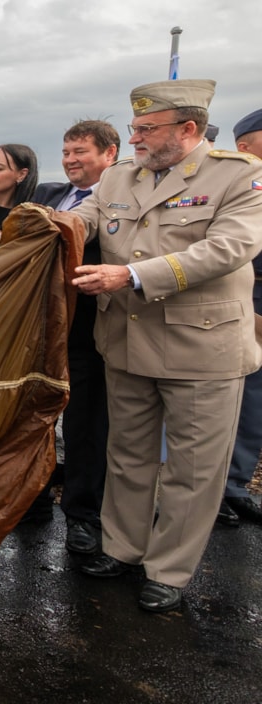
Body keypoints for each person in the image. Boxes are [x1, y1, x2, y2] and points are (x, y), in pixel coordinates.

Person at [69, 79, 262, 613]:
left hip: (201, 348)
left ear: (188, 130)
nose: (135, 138)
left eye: (146, 129)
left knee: (192, 468)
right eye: (134, 128)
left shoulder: (239, 175)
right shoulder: (118, 177)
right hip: (126, 341)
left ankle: (169, 570)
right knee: (128, 456)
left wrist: (130, 274)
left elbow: (230, 247)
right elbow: (83, 220)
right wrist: (46, 225)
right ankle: (122, 548)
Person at [30, 120, 120, 554]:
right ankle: (33, 497)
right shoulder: (47, 195)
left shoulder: (117, 199)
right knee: (35, 416)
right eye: (66, 152)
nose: (70, 161)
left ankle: (84, 516)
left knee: (85, 425)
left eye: (80, 152)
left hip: (88, 329)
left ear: (110, 153)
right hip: (40, 328)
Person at [217, 107, 262, 526]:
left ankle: (238, 483)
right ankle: (223, 488)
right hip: (247, 296)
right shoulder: (236, 185)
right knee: (240, 395)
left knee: (256, 403)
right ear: (245, 145)